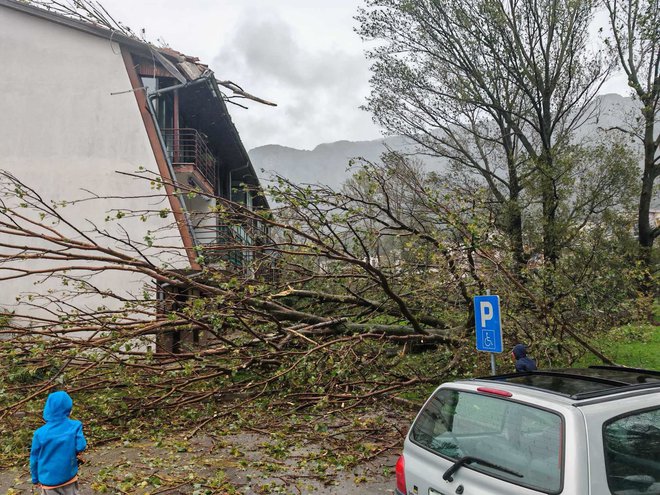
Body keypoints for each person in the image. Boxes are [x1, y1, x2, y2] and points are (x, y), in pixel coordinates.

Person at [30, 391, 87, 495]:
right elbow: (81, 446)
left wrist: (35, 478)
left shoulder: (39, 433)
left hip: (48, 481)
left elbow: (34, 460)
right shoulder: (75, 426)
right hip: (69, 477)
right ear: (69, 410)